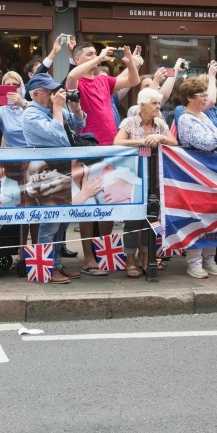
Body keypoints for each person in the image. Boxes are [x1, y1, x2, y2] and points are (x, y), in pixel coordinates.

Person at [66, 42, 140, 276]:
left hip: (111, 145)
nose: (95, 57)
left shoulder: (102, 80)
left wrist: (128, 61)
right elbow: (71, 76)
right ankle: (88, 258)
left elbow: (133, 81)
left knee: (108, 201)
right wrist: (99, 58)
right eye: (88, 54)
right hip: (88, 148)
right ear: (78, 59)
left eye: (95, 54)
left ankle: (104, 251)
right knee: (89, 204)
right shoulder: (75, 81)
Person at [21, 72, 85, 283]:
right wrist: (58, 107)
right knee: (50, 224)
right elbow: (57, 133)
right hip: (45, 172)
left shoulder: (50, 109)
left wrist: (75, 107)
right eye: (49, 92)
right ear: (36, 94)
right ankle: (45, 270)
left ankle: (56, 264)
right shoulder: (31, 114)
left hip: (62, 170)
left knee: (62, 223)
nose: (54, 95)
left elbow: (79, 125)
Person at [176, 75, 217, 278]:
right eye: (201, 95)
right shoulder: (186, 118)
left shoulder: (203, 116)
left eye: (205, 94)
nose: (205, 98)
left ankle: (209, 260)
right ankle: (194, 263)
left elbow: (216, 140)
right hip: (198, 175)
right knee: (198, 219)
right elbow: (208, 143)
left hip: (212, 173)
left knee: (214, 216)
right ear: (189, 97)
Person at [113, 87, 178, 278]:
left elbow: (173, 142)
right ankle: (130, 261)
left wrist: (161, 137)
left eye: (159, 103)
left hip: (156, 177)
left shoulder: (160, 122)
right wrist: (142, 141)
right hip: (133, 179)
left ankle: (147, 258)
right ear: (142, 105)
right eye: (154, 103)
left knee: (151, 219)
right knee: (132, 220)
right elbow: (117, 142)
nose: (159, 107)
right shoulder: (129, 121)